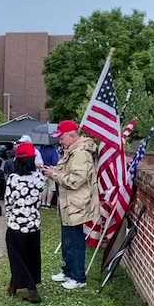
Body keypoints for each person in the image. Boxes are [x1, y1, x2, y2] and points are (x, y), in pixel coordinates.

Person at [43, 120, 98, 289]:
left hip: (77, 204)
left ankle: (78, 278)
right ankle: (68, 272)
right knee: (67, 241)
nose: (60, 141)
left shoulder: (81, 153)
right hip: (69, 203)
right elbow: (69, 173)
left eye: (62, 137)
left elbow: (75, 180)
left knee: (75, 242)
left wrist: (54, 175)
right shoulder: (73, 151)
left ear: (72, 135)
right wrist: (54, 171)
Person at [4, 142, 46, 303]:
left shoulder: (14, 179)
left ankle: (31, 288)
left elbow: (9, 201)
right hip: (34, 223)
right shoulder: (39, 177)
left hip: (16, 224)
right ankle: (14, 285)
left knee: (16, 257)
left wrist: (9, 216)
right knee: (31, 256)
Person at [39, 142, 60, 208]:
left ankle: (43, 203)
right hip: (51, 171)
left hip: (42, 171)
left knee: (44, 188)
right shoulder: (54, 152)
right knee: (51, 188)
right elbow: (55, 162)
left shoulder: (41, 151)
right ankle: (48, 204)